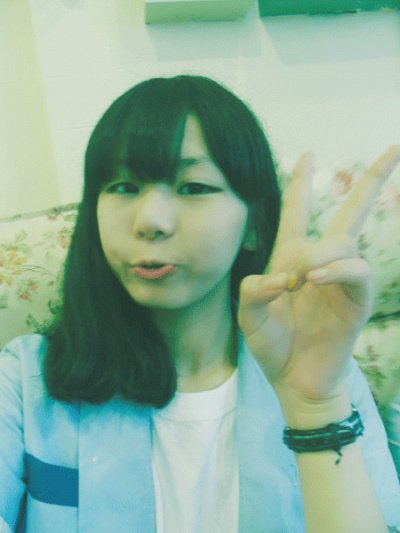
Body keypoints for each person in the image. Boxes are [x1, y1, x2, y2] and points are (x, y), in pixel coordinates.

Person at [0, 75, 399, 533]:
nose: (150, 221)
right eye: (123, 186)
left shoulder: (325, 371)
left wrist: (314, 406)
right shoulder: (25, 378)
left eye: (193, 187)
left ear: (254, 225)